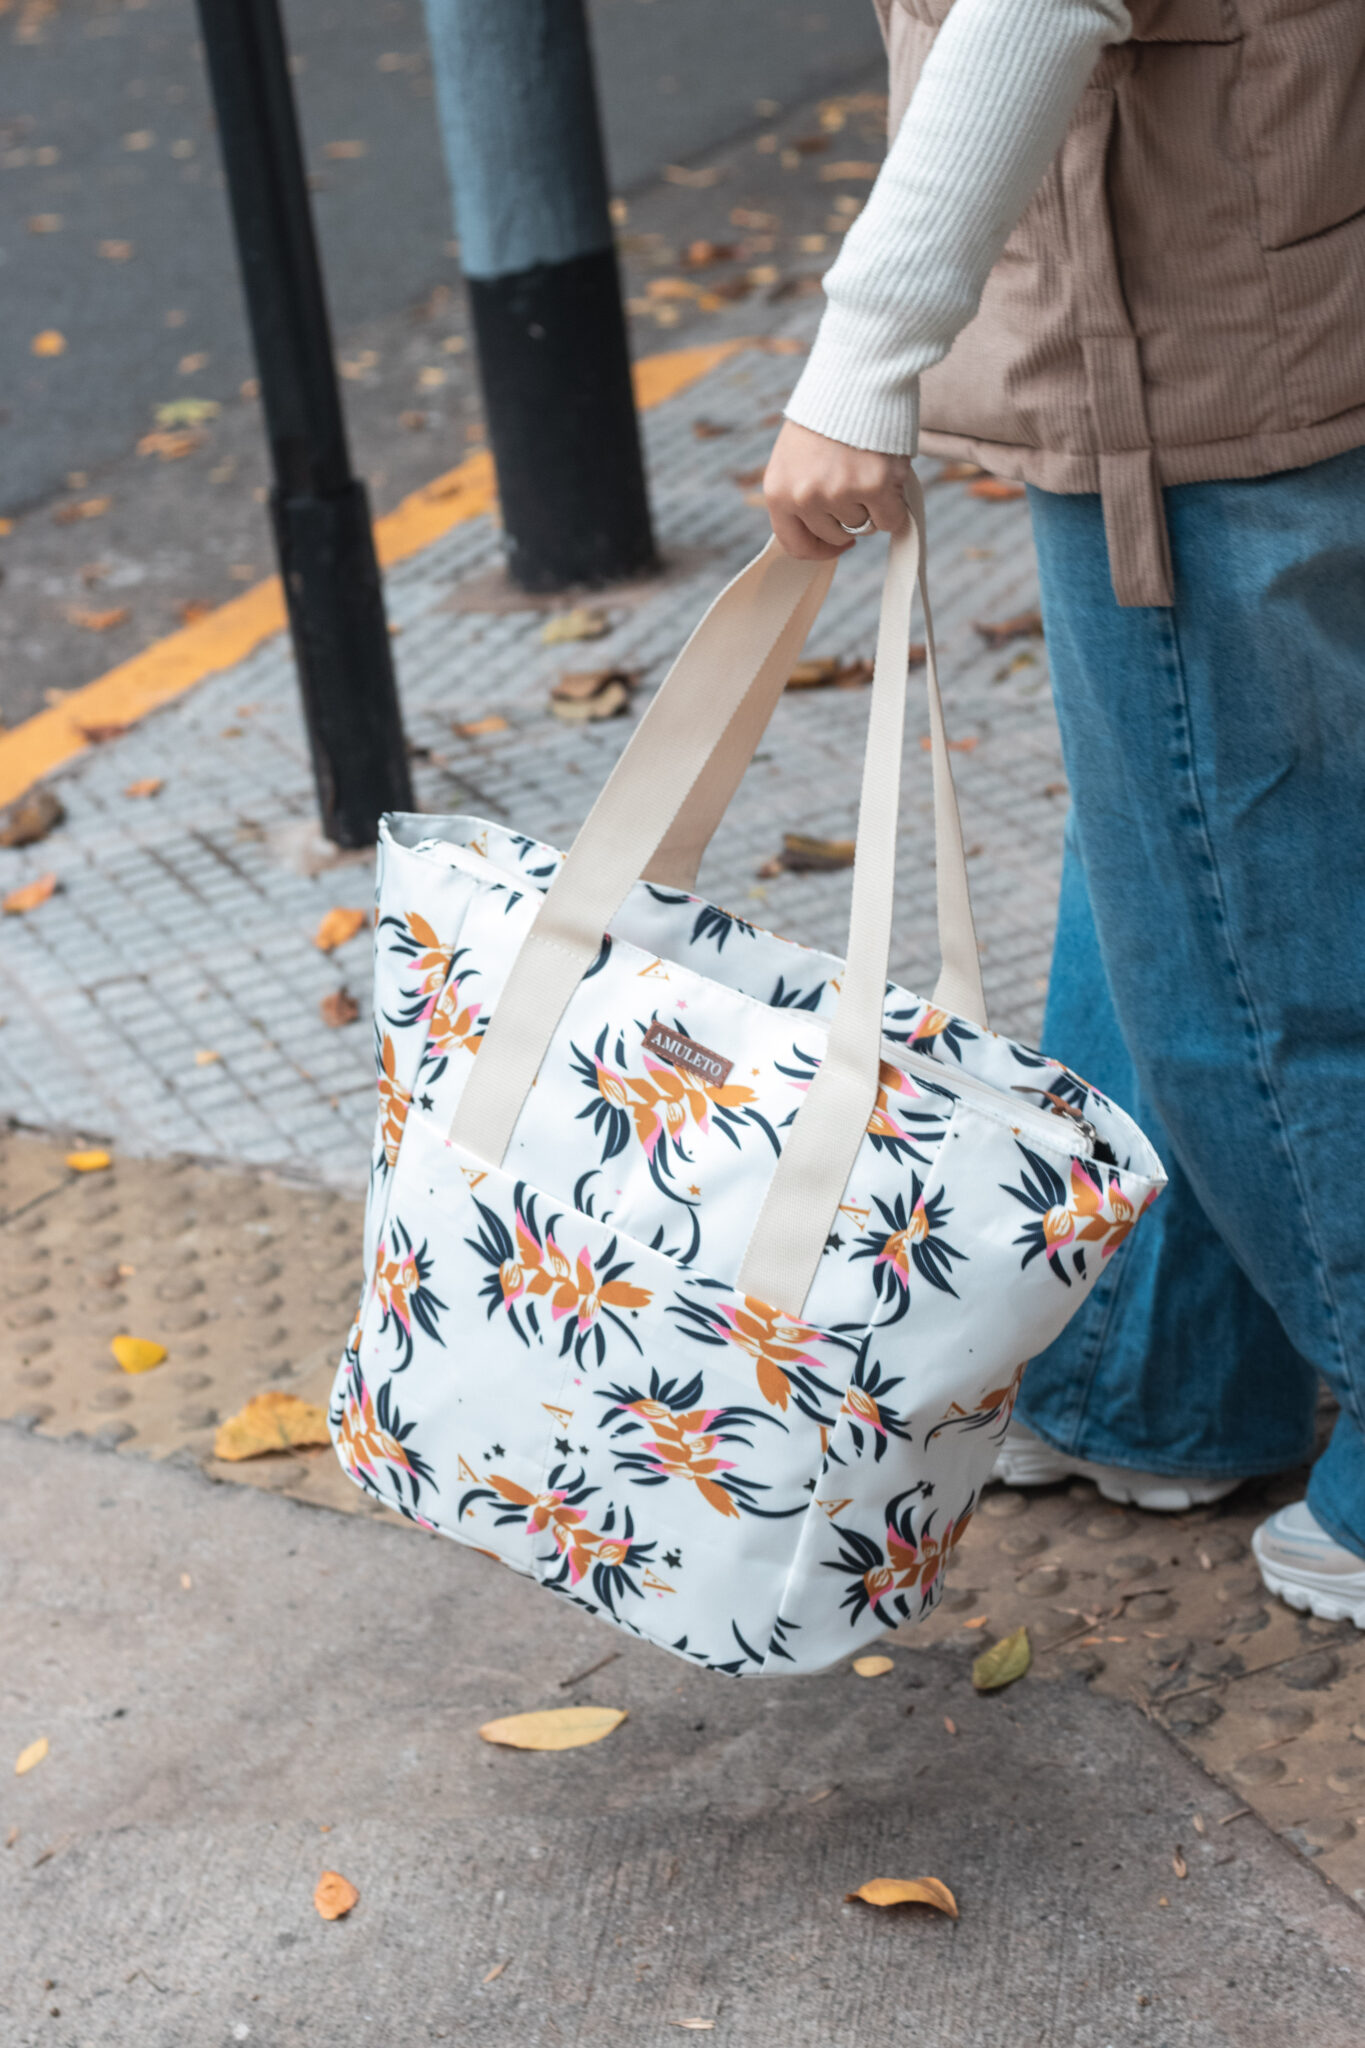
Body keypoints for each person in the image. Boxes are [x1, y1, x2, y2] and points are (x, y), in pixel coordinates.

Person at [763, 0, 1365, 1627]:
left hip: (1190, 339)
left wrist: (857, 359)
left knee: (1250, 958)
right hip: (1258, 268)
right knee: (1184, 850)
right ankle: (1144, 1378)